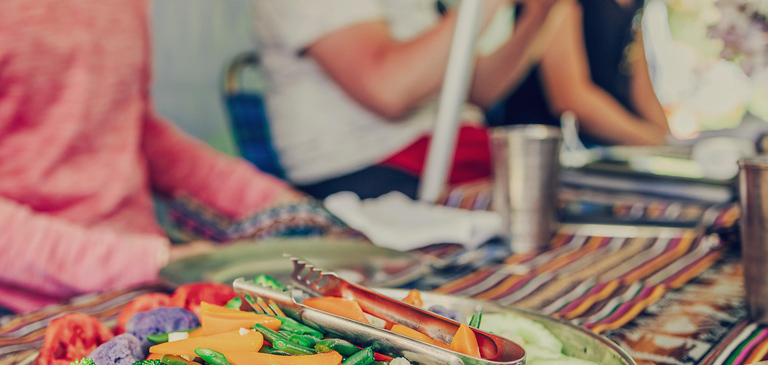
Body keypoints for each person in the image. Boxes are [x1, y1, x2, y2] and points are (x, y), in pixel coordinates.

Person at [0, 0, 302, 314]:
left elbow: (134, 132)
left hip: (144, 276)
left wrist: (278, 201)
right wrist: (144, 261)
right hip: (29, 300)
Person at [252, 0, 564, 200]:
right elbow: (387, 90)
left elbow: (478, 90)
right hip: (366, 170)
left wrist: (539, 15)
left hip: (448, 150)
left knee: (571, 197)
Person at [491, 0, 670, 146]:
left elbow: (642, 91)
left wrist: (671, 141)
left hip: (610, 147)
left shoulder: (635, 5)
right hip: (551, 149)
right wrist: (651, 139)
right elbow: (569, 98)